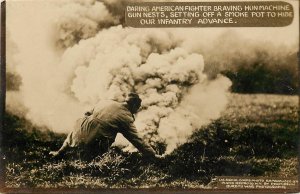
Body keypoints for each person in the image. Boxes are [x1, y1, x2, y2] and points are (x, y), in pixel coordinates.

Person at [49, 93, 162, 160]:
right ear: (133, 105)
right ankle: (89, 159)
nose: (136, 111)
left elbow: (87, 113)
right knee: (104, 136)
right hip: (92, 141)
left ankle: (59, 153)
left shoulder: (106, 102)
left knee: (83, 122)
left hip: (78, 132)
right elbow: (137, 140)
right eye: (137, 108)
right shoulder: (126, 117)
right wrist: (152, 155)